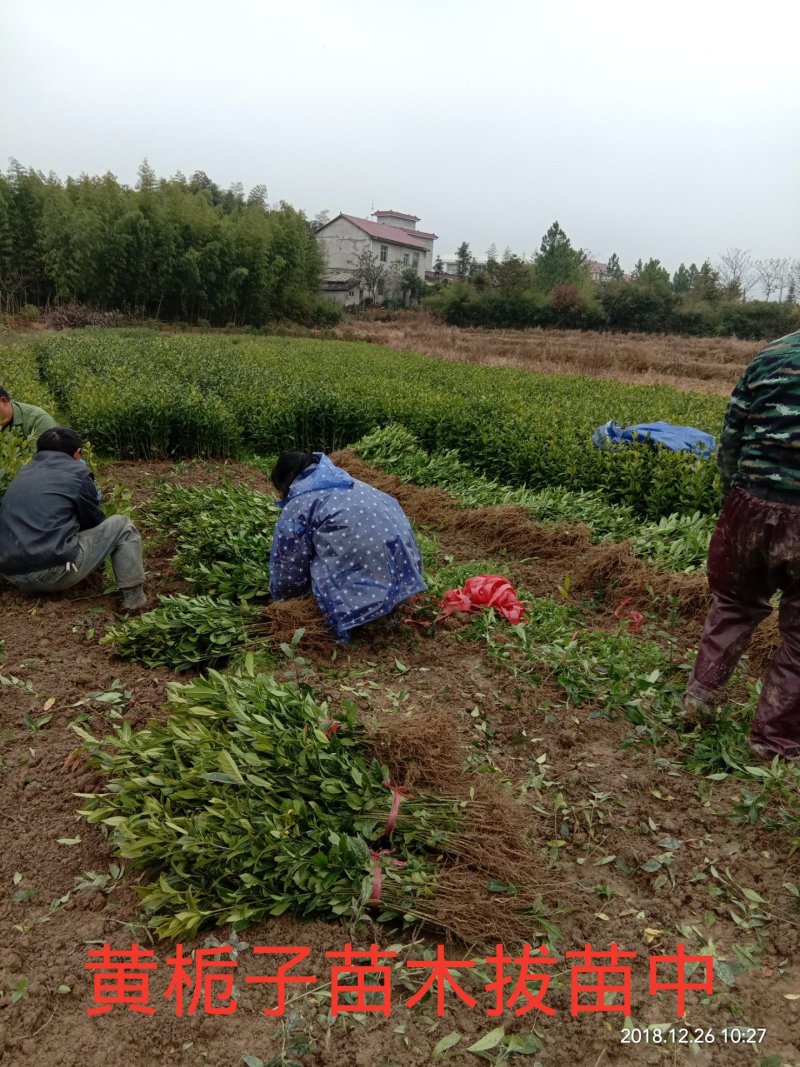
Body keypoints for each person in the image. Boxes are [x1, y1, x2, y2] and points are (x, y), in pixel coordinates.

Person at [683, 328, 800, 761]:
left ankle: (699, 699)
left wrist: (732, 497)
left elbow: (731, 433)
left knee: (734, 603)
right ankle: (772, 746)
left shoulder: (773, 352)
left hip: (749, 503)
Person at [269, 451, 426, 640]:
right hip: (405, 573)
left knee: (316, 562)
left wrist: (285, 602)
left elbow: (289, 566)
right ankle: (389, 601)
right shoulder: (355, 485)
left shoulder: (299, 504)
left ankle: (361, 614)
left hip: (362, 582)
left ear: (286, 482)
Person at [0, 427, 147, 610]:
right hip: (54, 572)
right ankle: (135, 602)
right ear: (77, 453)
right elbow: (93, 524)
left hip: (14, 576)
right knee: (123, 526)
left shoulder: (22, 475)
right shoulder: (78, 474)